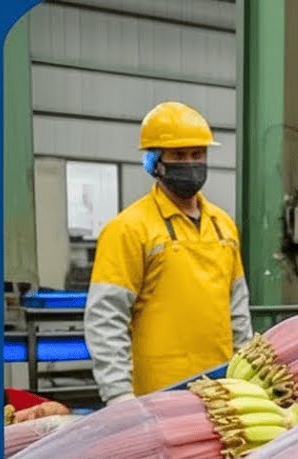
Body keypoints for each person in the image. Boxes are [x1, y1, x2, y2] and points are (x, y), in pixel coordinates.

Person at [84, 101, 252, 405]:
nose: (190, 163)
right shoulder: (128, 228)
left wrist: (246, 374)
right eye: (178, 155)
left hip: (223, 391)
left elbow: (238, 310)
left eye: (197, 154)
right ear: (154, 162)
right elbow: (105, 318)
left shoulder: (223, 226)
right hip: (156, 396)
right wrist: (119, 395)